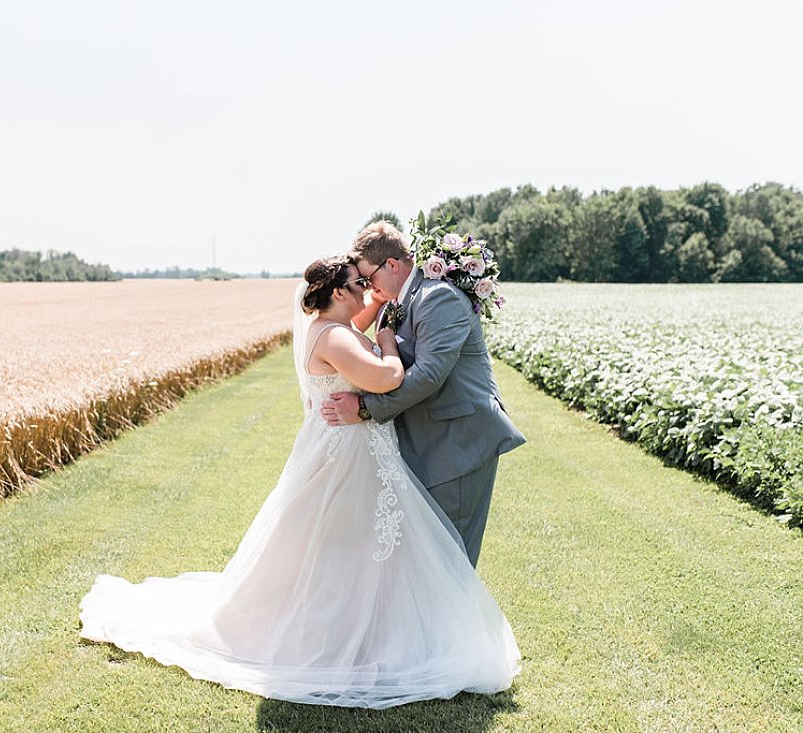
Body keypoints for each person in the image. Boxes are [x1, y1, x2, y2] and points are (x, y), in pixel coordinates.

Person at [78, 256, 520, 709]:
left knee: (365, 545)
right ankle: (333, 639)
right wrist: (387, 341)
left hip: (359, 449)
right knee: (342, 546)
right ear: (337, 295)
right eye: (356, 284)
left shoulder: (339, 327)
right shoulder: (334, 337)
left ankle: (373, 632)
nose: (365, 290)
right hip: (345, 455)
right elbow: (388, 378)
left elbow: (364, 319)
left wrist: (380, 309)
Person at [321, 222, 526, 567]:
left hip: (458, 442)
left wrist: (367, 409)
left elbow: (429, 374)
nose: (368, 289)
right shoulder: (392, 305)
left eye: (368, 279)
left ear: (392, 265)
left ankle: (455, 624)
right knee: (422, 565)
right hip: (424, 442)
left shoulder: (438, 298)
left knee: (449, 560)